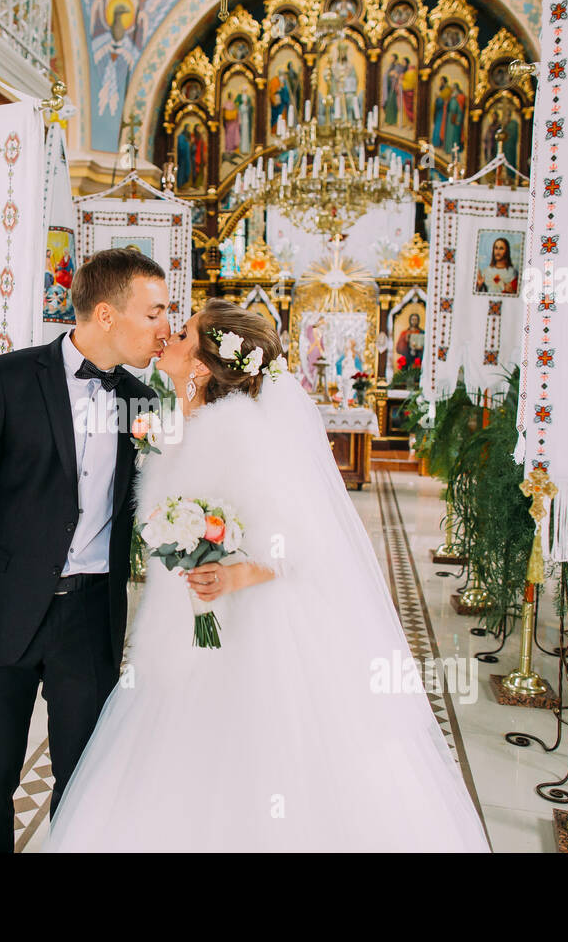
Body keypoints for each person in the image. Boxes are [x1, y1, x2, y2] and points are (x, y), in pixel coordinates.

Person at [45, 300, 490, 851]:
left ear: (205, 365)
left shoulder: (236, 432)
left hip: (241, 633)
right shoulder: (182, 421)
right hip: (180, 625)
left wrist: (231, 578)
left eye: (182, 334)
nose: (169, 339)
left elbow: (298, 542)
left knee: (236, 763)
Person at [0, 247, 170, 853]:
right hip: (2, 612)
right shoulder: (5, 379)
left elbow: (161, 500)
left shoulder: (144, 399)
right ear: (106, 315)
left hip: (91, 616)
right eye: (155, 313)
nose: (165, 327)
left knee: (85, 779)